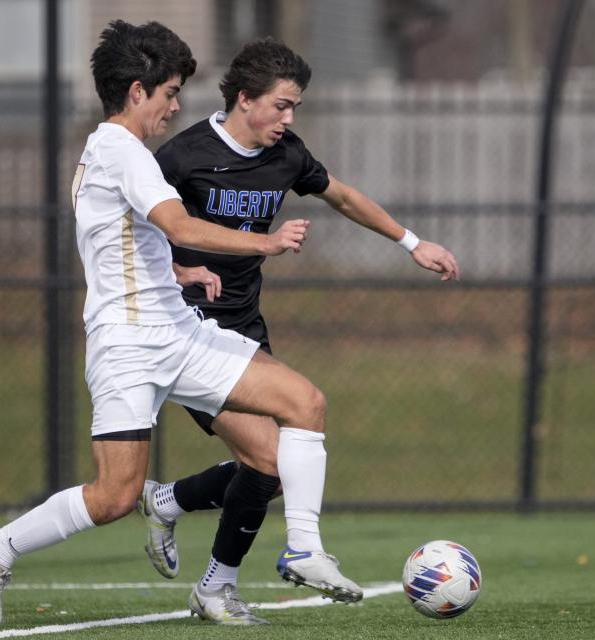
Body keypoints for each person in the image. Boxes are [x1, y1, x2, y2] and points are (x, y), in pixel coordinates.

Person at [0, 20, 334, 628]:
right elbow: (179, 225)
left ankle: (303, 549)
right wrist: (262, 244)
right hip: (128, 347)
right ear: (138, 91)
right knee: (113, 497)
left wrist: (179, 275)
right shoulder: (120, 149)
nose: (176, 104)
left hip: (177, 332)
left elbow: (123, 240)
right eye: (169, 92)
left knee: (300, 407)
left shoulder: (111, 152)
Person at [135, 36, 460, 622]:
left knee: (275, 467)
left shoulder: (286, 154)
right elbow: (135, 234)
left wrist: (412, 243)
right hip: (185, 330)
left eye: (295, 108)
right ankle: (223, 582)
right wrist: (182, 266)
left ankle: (171, 504)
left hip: (245, 329)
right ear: (243, 99)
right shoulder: (181, 157)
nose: (288, 118)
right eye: (281, 105)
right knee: (270, 457)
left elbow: (343, 196)